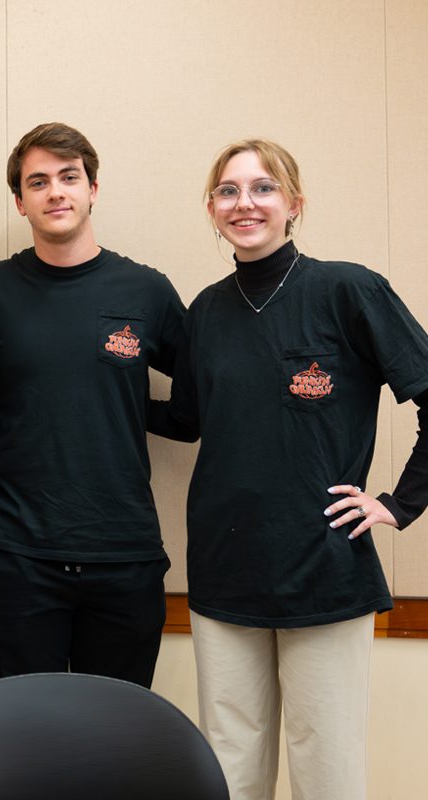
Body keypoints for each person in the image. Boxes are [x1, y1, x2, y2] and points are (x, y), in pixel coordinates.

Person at [159, 139, 428, 800]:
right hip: (225, 571)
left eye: (262, 188)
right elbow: (187, 420)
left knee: (325, 762)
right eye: (228, 190)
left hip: (324, 567)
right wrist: (96, 387)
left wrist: (397, 504)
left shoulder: (348, 290)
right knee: (230, 761)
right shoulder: (207, 311)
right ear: (213, 208)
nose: (244, 202)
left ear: (293, 205)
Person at [0, 122, 185, 687]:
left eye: (69, 177)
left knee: (117, 745)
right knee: (26, 742)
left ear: (92, 189)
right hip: (18, 557)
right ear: (20, 201)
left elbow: (203, 398)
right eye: (38, 182)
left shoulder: (146, 291)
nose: (56, 192)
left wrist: (131, 413)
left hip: (124, 556)